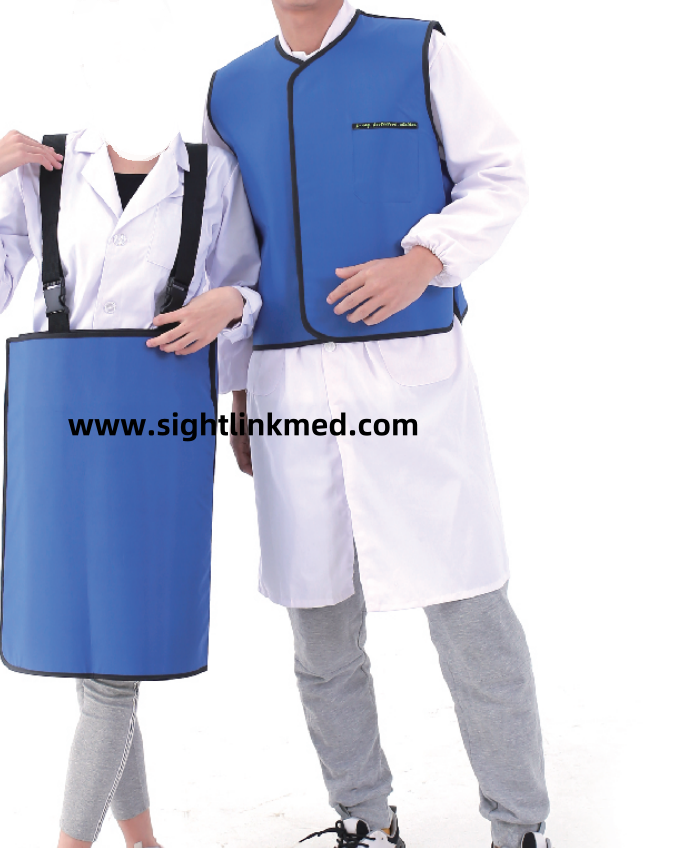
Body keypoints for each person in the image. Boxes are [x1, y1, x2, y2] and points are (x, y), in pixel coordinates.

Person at [205, 2, 551, 847]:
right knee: (319, 626)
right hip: (288, 383)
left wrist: (423, 262)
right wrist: (240, 390)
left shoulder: (416, 49)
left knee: (470, 612)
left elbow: (498, 174)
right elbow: (233, 255)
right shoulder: (229, 90)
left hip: (409, 376)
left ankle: (520, 827)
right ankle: (363, 816)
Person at [0, 126, 260, 848]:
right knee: (96, 653)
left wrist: (231, 305)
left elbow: (251, 291)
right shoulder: (46, 167)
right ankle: (143, 842)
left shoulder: (213, 170)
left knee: (117, 656)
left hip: (158, 423)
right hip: (59, 425)